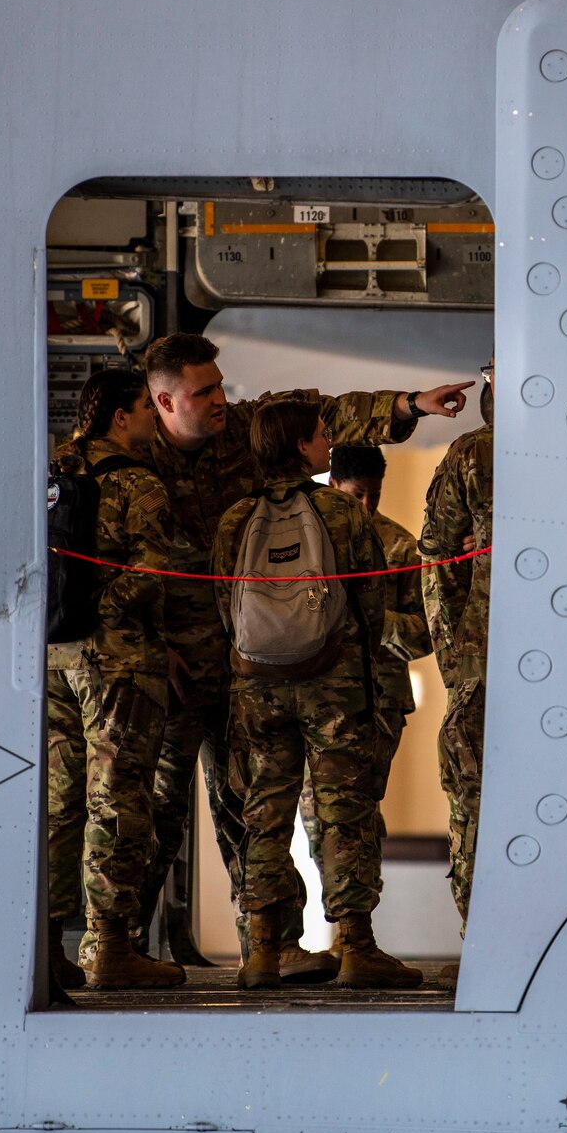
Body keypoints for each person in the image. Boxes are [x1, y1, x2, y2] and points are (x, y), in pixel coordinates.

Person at [133, 332, 473, 971]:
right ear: (164, 402)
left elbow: (337, 410)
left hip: (246, 672)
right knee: (157, 812)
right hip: (192, 666)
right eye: (203, 392)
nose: (219, 401)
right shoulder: (136, 461)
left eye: (219, 386)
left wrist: (409, 405)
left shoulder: (242, 480)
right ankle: (127, 948)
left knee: (251, 810)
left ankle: (269, 946)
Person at [214, 400, 425, 990]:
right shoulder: (341, 514)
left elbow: (223, 609)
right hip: (333, 686)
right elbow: (369, 605)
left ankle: (260, 951)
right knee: (343, 814)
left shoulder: (235, 519)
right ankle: (357, 948)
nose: (329, 442)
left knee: (264, 813)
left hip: (257, 687)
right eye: (322, 435)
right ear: (301, 445)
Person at [61, 368, 189, 989]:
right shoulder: (139, 484)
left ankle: (47, 948)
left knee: (58, 803)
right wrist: (107, 609)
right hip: (117, 661)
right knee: (118, 798)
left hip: (52, 654)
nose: (151, 419)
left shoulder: (54, 467)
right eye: (144, 407)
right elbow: (152, 571)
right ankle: (110, 946)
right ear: (119, 416)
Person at [294, 445, 433, 948]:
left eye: (375, 494)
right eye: (357, 495)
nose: (367, 506)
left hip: (379, 701)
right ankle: (341, 929)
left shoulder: (399, 547)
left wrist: (370, 623)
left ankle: (355, 936)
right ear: (333, 486)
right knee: (318, 818)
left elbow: (425, 631)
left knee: (360, 813)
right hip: (318, 697)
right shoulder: (305, 543)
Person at [421, 361, 494, 932]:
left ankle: (477, 927)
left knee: (473, 791)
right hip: (487, 656)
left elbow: (437, 564)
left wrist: (456, 658)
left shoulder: (473, 455)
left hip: (484, 657)